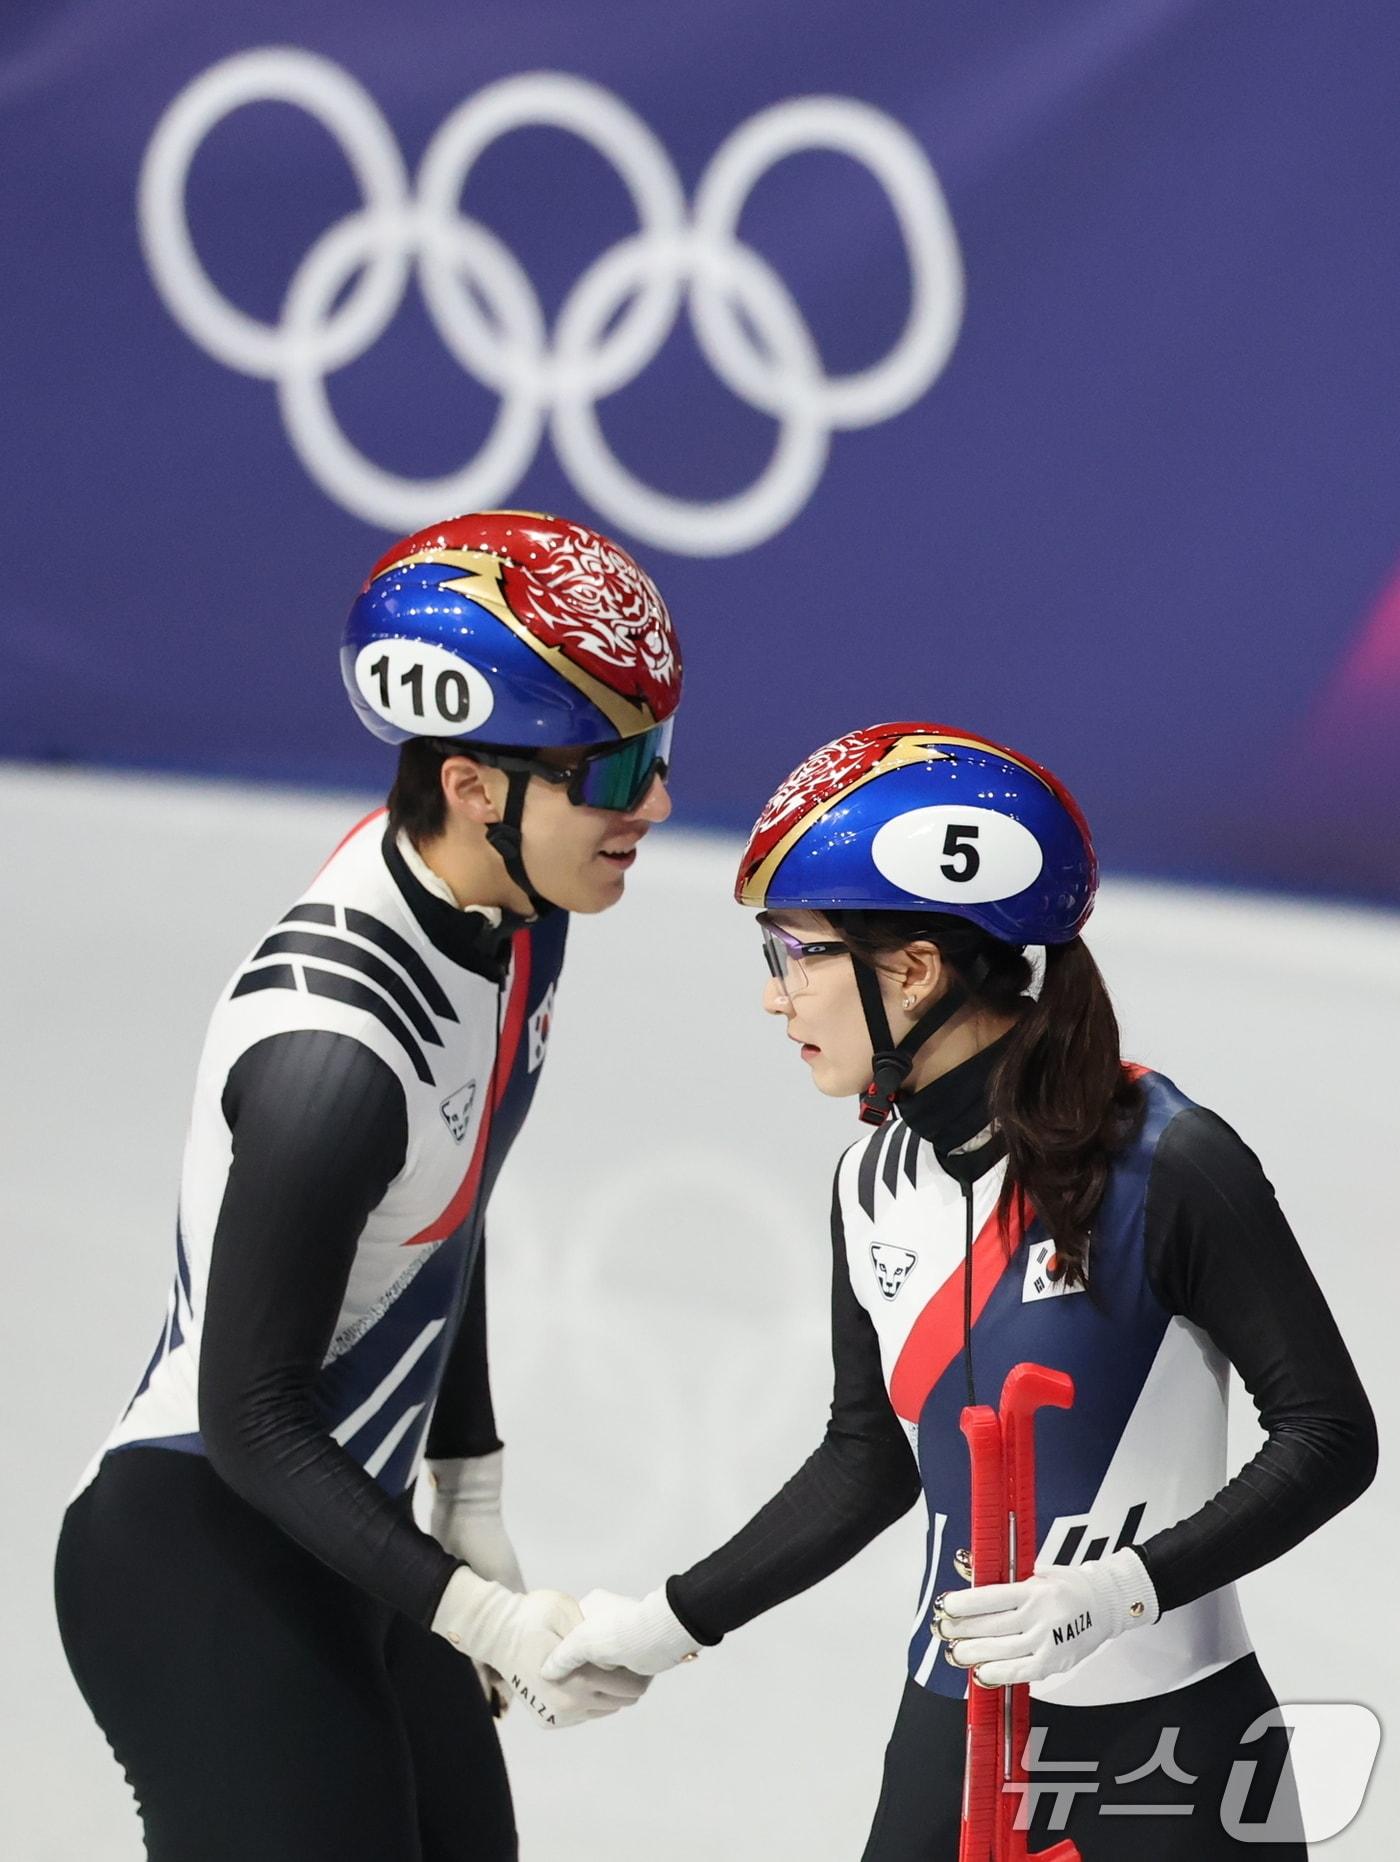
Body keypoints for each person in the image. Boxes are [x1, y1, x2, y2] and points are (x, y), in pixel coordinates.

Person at [542, 721, 1378, 1859]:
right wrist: (659, 1624)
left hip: (1167, 1750)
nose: (775, 996)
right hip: (952, 1731)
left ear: (914, 969)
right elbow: (868, 1456)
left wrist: (1124, 1587)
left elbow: (1329, 1433)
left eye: (795, 950)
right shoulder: (869, 1179)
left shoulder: (1169, 1165)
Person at [54, 511, 682, 1862]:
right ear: (472, 785)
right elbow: (250, 1413)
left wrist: (470, 1488)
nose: (656, 804)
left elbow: (447, 1217)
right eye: (617, 766)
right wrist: (482, 1611)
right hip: (203, 1550)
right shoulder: (332, 1062)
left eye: (659, 751)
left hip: (344, 1528)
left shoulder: (519, 909)